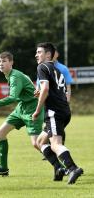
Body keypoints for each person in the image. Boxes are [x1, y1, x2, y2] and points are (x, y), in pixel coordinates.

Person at [0, 51, 44, 176]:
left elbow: (13, 97)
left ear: (11, 62)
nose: (1, 64)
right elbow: (27, 81)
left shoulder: (14, 76)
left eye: (4, 61)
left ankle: (66, 165)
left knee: (37, 143)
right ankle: (3, 169)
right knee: (0, 133)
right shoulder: (11, 75)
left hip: (32, 109)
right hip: (21, 108)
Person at [32, 42, 83, 184]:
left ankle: (72, 168)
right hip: (64, 110)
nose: (36, 55)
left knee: (55, 144)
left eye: (39, 52)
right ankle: (59, 168)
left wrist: (37, 110)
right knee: (39, 142)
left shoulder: (42, 67)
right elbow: (55, 90)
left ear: (48, 54)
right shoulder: (56, 69)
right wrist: (41, 92)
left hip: (54, 112)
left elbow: (46, 89)